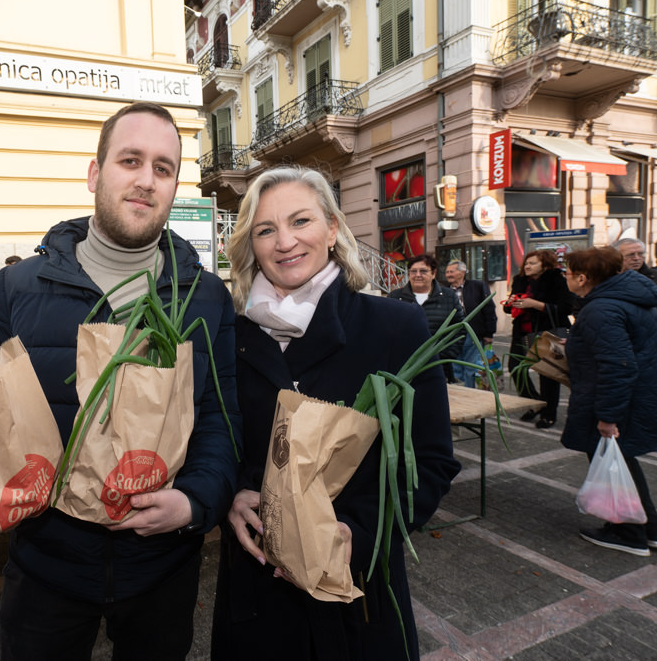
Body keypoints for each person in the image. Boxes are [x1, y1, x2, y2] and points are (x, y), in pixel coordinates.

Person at [0, 102, 241, 660]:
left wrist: (195, 502)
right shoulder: (16, 289)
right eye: (130, 160)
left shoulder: (205, 296)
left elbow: (220, 415)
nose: (146, 180)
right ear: (95, 174)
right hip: (46, 564)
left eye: (163, 168)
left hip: (161, 568)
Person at [211, 166, 460, 660]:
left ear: (331, 228)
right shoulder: (229, 335)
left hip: (357, 598)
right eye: (265, 230)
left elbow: (431, 463)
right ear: (250, 245)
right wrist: (230, 498)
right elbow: (210, 443)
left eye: (300, 221)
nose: (285, 242)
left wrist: (358, 532)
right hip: (257, 594)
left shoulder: (393, 325)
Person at [562, 247, 657, 557]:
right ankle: (649, 529)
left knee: (615, 462)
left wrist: (608, 417)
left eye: (568, 272)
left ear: (583, 278)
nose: (566, 277)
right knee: (623, 462)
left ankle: (628, 532)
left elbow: (617, 365)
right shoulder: (627, 300)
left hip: (619, 401)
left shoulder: (602, 309)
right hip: (638, 395)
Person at [503, 249, 572, 429]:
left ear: (545, 264)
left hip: (547, 332)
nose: (527, 266)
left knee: (548, 374)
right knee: (515, 368)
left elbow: (566, 308)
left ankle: (549, 414)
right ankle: (535, 403)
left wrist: (535, 304)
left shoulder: (556, 279)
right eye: (526, 263)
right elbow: (509, 309)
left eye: (532, 263)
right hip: (522, 333)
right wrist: (512, 303)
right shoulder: (520, 281)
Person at [388, 253, 464, 382]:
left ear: (433, 273)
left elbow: (459, 328)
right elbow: (386, 328)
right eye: (413, 271)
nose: (417, 275)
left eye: (423, 271)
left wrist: (446, 355)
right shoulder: (395, 297)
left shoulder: (448, 297)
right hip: (402, 369)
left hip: (439, 367)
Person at [445, 259, 497, 388]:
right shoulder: (443, 291)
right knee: (454, 366)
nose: (448, 275)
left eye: (451, 271)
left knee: (471, 367)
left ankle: (471, 394)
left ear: (462, 272)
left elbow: (488, 309)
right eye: (446, 272)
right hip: (452, 335)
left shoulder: (477, 286)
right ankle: (459, 397)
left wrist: (489, 333)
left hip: (473, 333)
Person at [615, 238, 657, 329]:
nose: (637, 258)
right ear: (617, 256)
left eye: (641, 254)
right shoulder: (608, 279)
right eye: (631, 255)